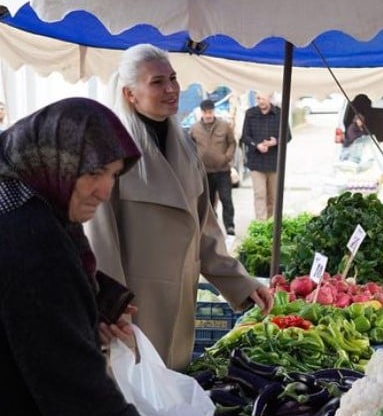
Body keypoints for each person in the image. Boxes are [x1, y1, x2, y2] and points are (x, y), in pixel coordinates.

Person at [0, 97, 183, 416]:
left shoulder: (3, 195)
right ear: (56, 162)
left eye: (113, 174)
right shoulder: (31, 243)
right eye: (93, 173)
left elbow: (8, 289)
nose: (105, 190)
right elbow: (77, 391)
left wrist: (96, 298)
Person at [86, 44, 272, 371]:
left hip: (182, 302)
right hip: (134, 307)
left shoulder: (186, 145)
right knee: (136, 396)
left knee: (172, 390)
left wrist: (243, 284)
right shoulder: (109, 151)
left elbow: (205, 230)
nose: (172, 89)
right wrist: (109, 307)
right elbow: (100, 239)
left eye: (173, 78)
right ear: (130, 93)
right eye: (157, 82)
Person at [240, 92, 291, 221]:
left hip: (274, 162)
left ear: (269, 98)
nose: (260, 101)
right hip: (256, 161)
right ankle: (261, 224)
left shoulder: (279, 113)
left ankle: (271, 224)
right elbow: (245, 137)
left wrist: (275, 142)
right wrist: (256, 145)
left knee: (273, 196)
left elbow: (288, 135)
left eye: (263, 98)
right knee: (260, 194)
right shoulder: (250, 114)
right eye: (258, 98)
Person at [190, 99, 237, 235]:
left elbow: (232, 143)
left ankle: (230, 226)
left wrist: (226, 157)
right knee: (208, 202)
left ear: (213, 111)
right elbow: (190, 147)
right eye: (205, 112)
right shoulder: (194, 129)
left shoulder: (224, 126)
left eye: (210, 112)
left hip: (222, 170)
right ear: (201, 112)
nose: (208, 115)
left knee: (226, 199)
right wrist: (196, 162)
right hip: (205, 172)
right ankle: (211, 226)